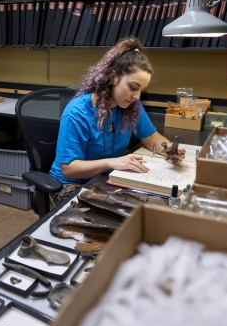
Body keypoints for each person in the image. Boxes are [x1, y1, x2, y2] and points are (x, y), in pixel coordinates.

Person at [48, 36, 186, 206]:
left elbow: (151, 138)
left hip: (108, 178)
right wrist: (112, 162)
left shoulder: (131, 105)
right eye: (133, 87)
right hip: (71, 184)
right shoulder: (77, 113)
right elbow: (69, 168)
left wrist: (169, 150)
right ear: (113, 77)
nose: (137, 96)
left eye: (141, 90)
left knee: (151, 207)